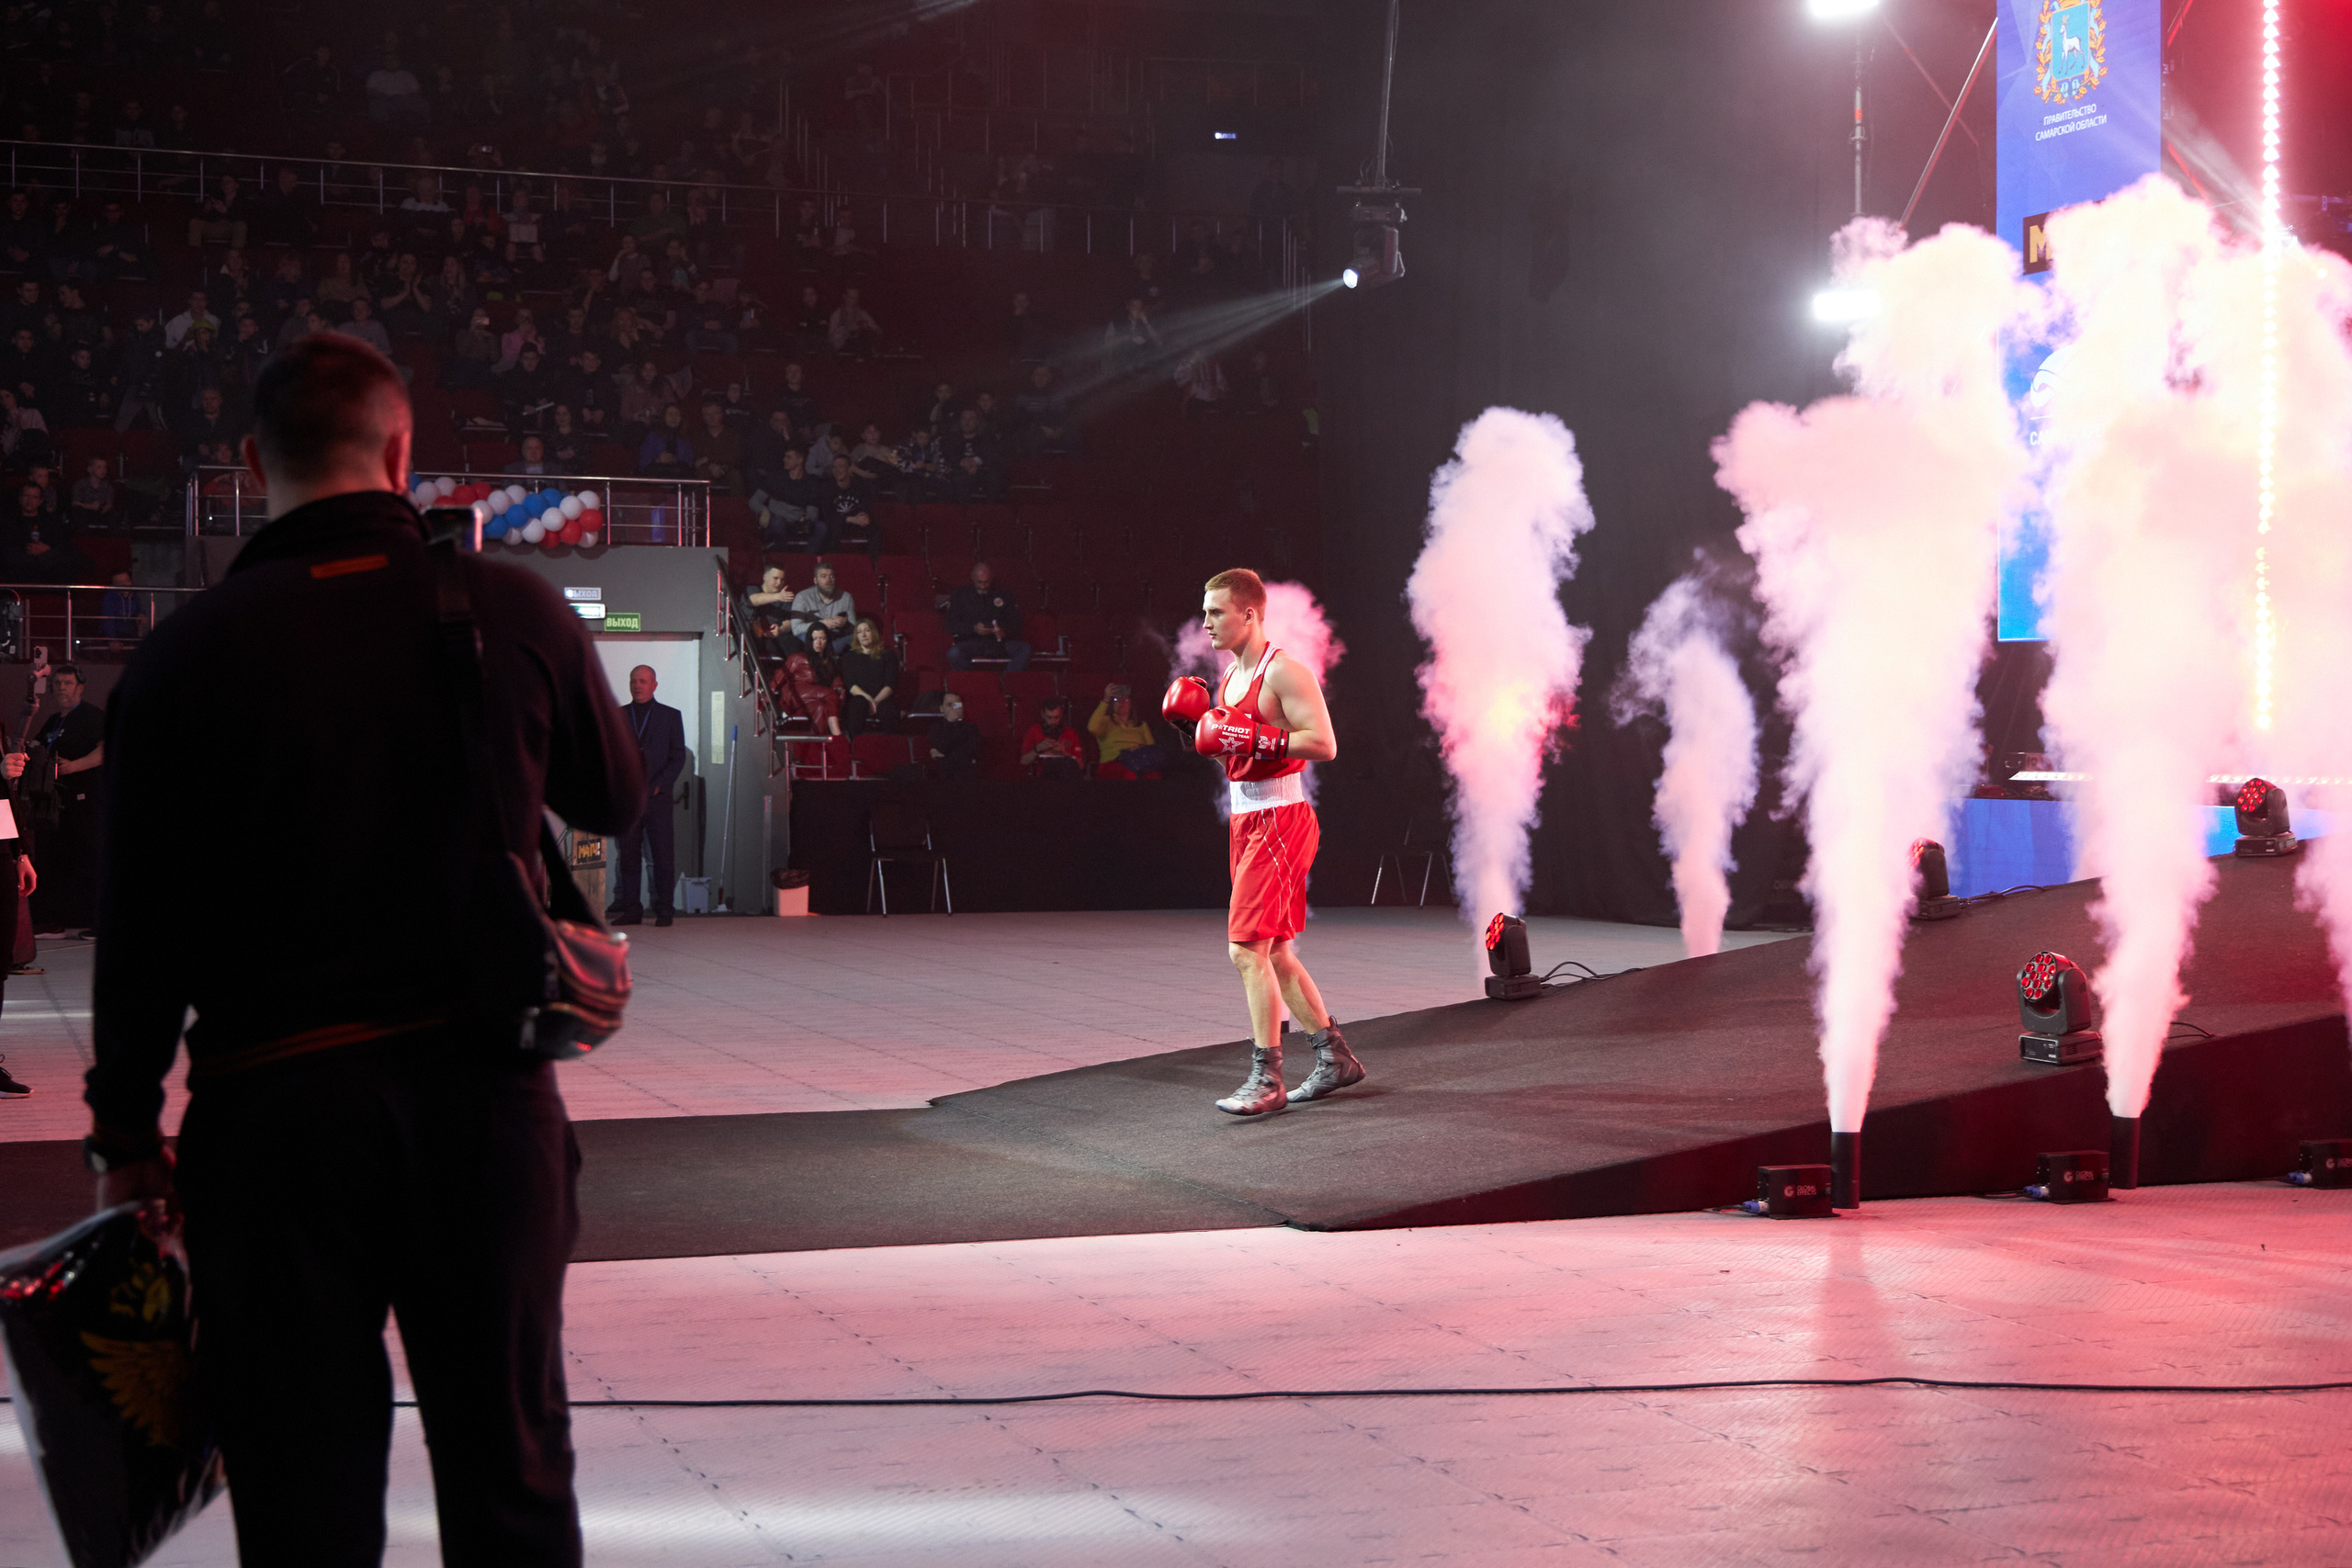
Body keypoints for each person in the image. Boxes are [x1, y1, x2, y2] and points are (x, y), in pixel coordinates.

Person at [83, 333, 640, 1563]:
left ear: (249, 463)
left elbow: (138, 935)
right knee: (510, 1473)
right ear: (403, 452)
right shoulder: (506, 608)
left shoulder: (180, 658)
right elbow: (619, 799)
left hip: (271, 1118)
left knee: (303, 1498)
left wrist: (127, 1134)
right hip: (482, 1106)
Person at [1162, 567, 1362, 1116]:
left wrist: (1256, 735)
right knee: (1273, 948)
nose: (1205, 622)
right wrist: (1199, 735)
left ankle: (1267, 1078)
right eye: (1204, 612)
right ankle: (1334, 1057)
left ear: (1249, 613)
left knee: (1245, 949)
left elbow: (1323, 743)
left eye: (1216, 612)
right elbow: (1234, 753)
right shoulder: (1225, 680)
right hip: (1246, 819)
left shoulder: (1284, 673)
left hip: (1280, 816)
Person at [610, 664, 685, 929]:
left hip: (657, 799)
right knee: (629, 857)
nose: (637, 685)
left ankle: (664, 909)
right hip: (629, 800)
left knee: (662, 857)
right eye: (634, 681)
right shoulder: (618, 716)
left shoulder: (670, 716)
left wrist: (660, 785)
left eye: (643, 681)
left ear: (654, 685)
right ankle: (632, 909)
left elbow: (678, 757)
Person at [31, 662, 102, 933]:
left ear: (80, 687)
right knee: (57, 858)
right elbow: (37, 746)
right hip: (56, 804)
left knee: (89, 857)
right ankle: (57, 918)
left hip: (85, 801)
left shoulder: (91, 716)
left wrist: (72, 766)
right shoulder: (53, 720)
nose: (61, 688)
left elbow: (107, 748)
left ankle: (95, 920)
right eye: (57, 683)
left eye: (67, 683)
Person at [944, 560, 1030, 671]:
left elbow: (1016, 624)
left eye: (986, 582)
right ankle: (970, 683)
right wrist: (973, 629)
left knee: (1025, 649)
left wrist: (1003, 631)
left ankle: (1008, 682)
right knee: (954, 653)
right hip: (973, 642)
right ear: (973, 578)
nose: (983, 586)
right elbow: (950, 625)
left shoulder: (1004, 594)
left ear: (992, 579)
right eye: (979, 582)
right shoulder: (960, 596)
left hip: (998, 643)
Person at [837, 616, 899, 738]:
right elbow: (851, 684)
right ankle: (855, 747)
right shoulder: (849, 657)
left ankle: (892, 748)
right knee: (857, 704)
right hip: (860, 697)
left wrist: (875, 701)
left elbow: (890, 684)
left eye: (867, 631)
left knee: (887, 709)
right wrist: (869, 700)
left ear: (874, 632)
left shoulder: (888, 655)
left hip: (882, 697)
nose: (863, 635)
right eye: (859, 632)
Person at [1089, 683, 1165, 779]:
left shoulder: (1141, 725)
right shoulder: (1105, 722)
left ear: (1130, 703)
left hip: (1139, 762)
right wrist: (1105, 700)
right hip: (1113, 763)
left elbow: (1151, 748)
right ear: (1112, 703)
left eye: (1125, 699)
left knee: (1154, 776)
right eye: (1117, 700)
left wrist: (1138, 748)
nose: (1122, 702)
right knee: (1129, 775)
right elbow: (1092, 728)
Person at [789, 559, 854, 646]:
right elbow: (796, 629)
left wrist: (844, 623)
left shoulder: (846, 597)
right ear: (815, 580)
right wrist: (822, 624)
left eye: (832, 576)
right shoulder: (802, 597)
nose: (828, 580)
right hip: (813, 639)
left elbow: (854, 628)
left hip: (836, 637)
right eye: (823, 576)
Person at [1021, 697, 1087, 779]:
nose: (1053, 722)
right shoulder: (1034, 731)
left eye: (1056, 717)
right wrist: (1038, 748)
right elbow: (1023, 761)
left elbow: (1081, 765)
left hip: (1067, 779)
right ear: (1043, 714)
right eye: (1049, 718)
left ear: (1061, 714)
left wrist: (1064, 752)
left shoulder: (1070, 733)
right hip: (1042, 780)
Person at [929, 691, 981, 778]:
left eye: (957, 705)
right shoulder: (935, 728)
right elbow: (942, 747)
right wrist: (950, 722)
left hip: (967, 774)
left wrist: (946, 756)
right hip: (944, 776)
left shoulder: (971, 727)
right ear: (942, 708)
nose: (953, 708)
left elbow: (970, 753)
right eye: (949, 705)